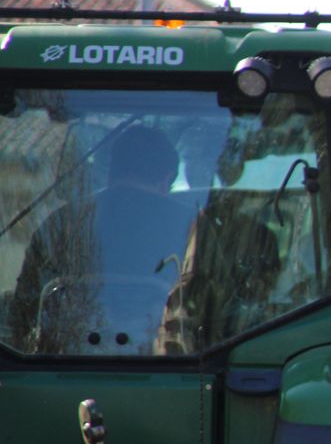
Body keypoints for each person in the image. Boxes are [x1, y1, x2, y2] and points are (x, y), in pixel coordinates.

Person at [9, 124, 198, 351]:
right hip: (167, 366)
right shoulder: (192, 225)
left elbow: (25, 307)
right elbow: (211, 305)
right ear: (166, 178)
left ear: (112, 170)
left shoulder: (61, 222)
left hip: (67, 364)